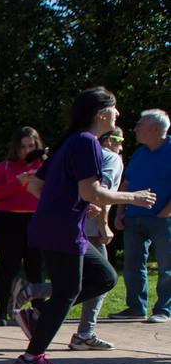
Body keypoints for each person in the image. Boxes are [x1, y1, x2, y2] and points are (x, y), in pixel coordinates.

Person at [11, 88, 155, 364]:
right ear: (102, 114)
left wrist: (73, 201)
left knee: (104, 276)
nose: (118, 114)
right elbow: (93, 191)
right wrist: (133, 197)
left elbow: (37, 185)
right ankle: (31, 357)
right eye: (115, 109)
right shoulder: (87, 142)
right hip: (62, 230)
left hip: (57, 226)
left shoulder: (70, 141)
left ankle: (37, 316)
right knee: (68, 291)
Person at [69, 127, 126, 349]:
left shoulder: (79, 154)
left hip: (69, 225)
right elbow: (101, 193)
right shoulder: (111, 158)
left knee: (77, 279)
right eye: (119, 139)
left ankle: (84, 332)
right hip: (91, 229)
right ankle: (84, 333)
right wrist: (104, 226)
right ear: (109, 139)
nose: (121, 146)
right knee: (103, 279)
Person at [112, 109, 171, 322]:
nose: (135, 128)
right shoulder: (140, 152)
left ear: (156, 129)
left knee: (167, 267)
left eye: (140, 124)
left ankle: (163, 310)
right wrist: (120, 211)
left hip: (163, 219)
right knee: (132, 266)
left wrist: (166, 212)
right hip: (133, 216)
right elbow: (127, 183)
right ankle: (136, 308)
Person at [0, 127, 45, 326]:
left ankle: (39, 312)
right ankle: (2, 312)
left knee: (35, 269)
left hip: (36, 221)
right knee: (8, 268)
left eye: (31, 146)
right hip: (7, 221)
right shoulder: (4, 167)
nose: (27, 150)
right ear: (15, 148)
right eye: (22, 147)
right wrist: (17, 182)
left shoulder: (45, 166)